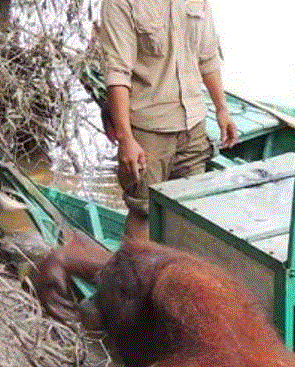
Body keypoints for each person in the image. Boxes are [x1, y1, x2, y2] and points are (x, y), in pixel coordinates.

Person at [99, 0, 237, 240]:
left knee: (191, 210)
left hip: (193, 125)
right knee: (143, 210)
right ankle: (137, 276)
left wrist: (221, 109)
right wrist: (126, 138)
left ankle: (176, 274)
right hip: (148, 130)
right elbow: (117, 73)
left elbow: (207, 57)